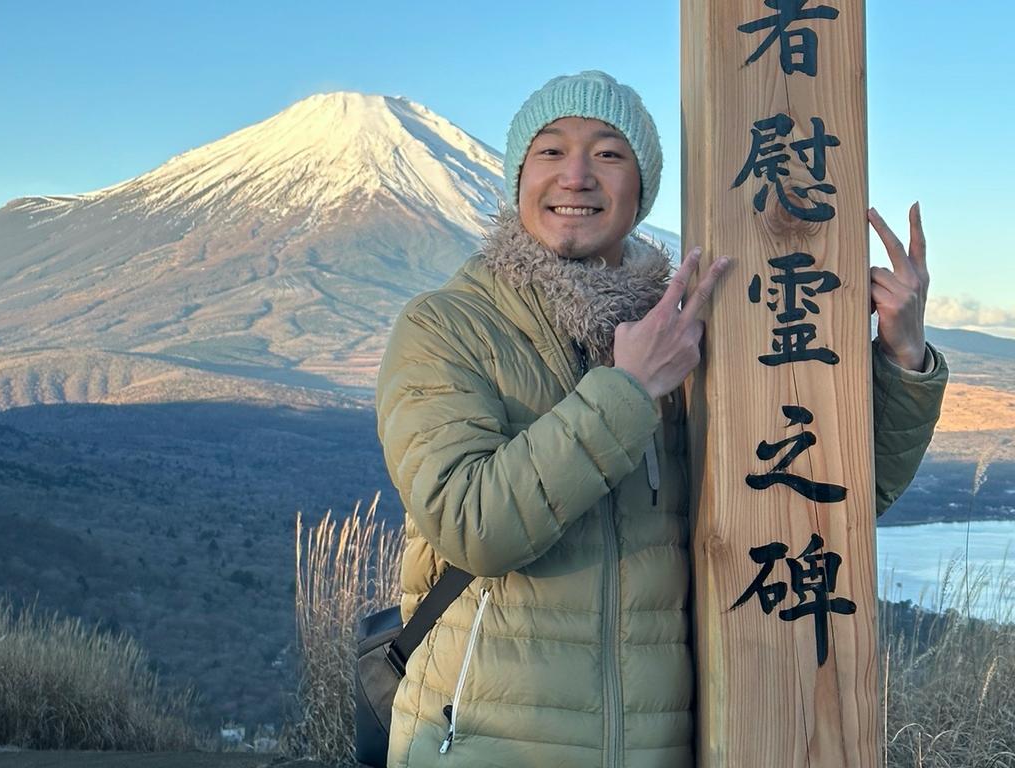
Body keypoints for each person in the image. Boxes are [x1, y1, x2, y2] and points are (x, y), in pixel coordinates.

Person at [375, 70, 947, 768]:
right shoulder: (447, 327)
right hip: (481, 747)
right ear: (515, 176)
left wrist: (901, 354)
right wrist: (628, 389)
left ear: (641, 189)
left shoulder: (691, 332)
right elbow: (469, 524)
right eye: (550, 152)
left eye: (609, 154)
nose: (577, 176)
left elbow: (826, 500)